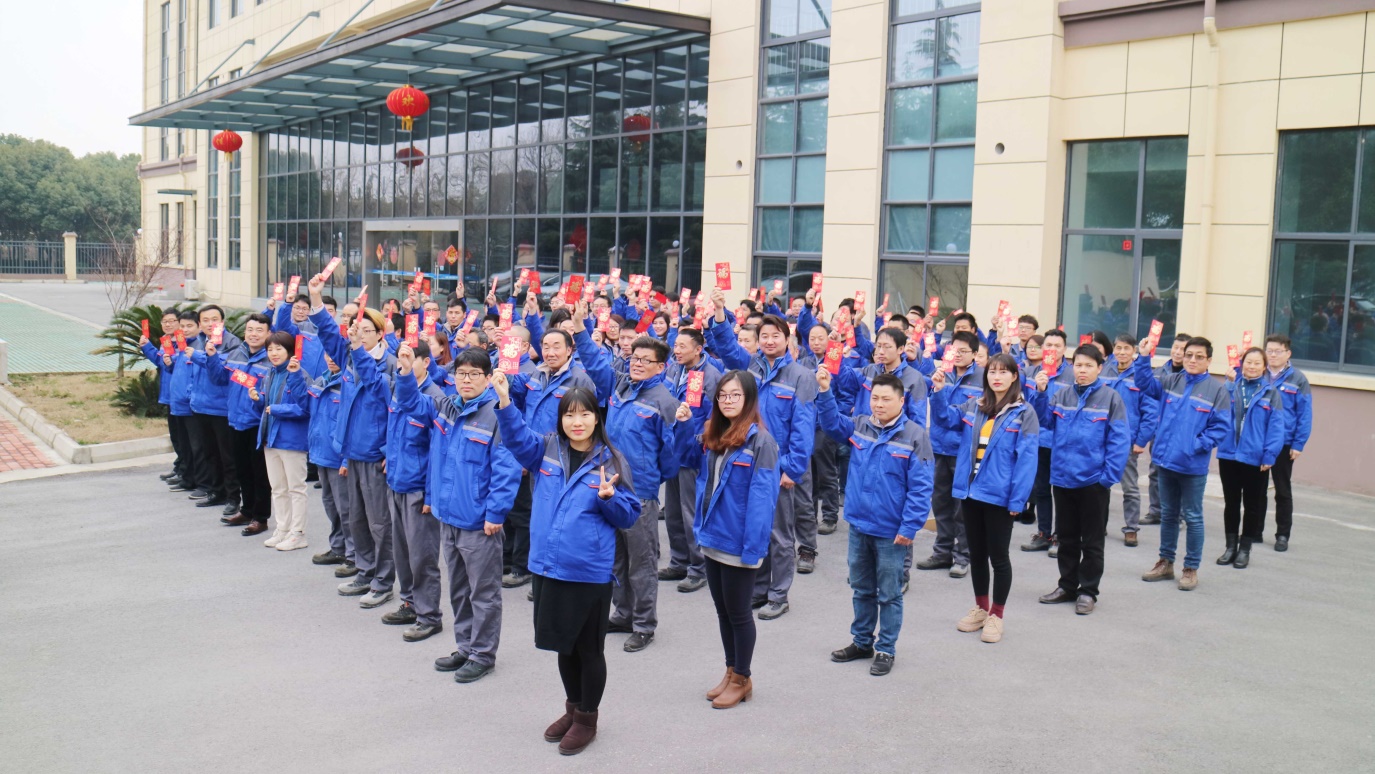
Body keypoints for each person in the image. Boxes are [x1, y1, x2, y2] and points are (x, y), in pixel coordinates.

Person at [493, 376, 640, 757]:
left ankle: (587, 719)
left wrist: (609, 498)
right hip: (548, 566)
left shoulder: (611, 460)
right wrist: (506, 401)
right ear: (560, 420)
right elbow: (514, 438)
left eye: (585, 414)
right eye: (570, 415)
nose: (577, 422)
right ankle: (572, 709)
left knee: (589, 650)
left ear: (597, 418)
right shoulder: (545, 450)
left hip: (588, 570)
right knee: (563, 646)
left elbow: (629, 515)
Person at [395, 345, 521, 682]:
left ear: (487, 377)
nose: (466, 380)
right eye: (461, 373)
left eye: (474, 374)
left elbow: (506, 470)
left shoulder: (499, 413)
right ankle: (465, 647)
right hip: (448, 517)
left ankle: (483, 654)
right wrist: (406, 372)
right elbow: (411, 405)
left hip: (480, 522)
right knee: (459, 590)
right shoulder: (447, 408)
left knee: (484, 592)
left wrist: (495, 513)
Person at [573, 302, 679, 653]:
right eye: (634, 356)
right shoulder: (619, 386)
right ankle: (623, 612)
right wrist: (580, 330)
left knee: (642, 561)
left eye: (645, 360)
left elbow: (669, 456)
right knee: (615, 556)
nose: (636, 362)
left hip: (640, 493)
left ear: (661, 367)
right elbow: (595, 364)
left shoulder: (663, 400)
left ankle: (645, 624)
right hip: (609, 486)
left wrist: (646, 482)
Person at [707, 290, 817, 621]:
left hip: (778, 466)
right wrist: (719, 313)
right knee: (755, 527)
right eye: (763, 336)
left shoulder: (801, 376)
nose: (769, 341)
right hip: (746, 461)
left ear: (788, 338)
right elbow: (726, 348)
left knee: (781, 535)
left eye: (775, 335)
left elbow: (803, 428)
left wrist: (792, 470)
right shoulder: (750, 369)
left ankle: (779, 594)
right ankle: (759, 589)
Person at [672, 370, 779, 705]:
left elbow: (763, 500)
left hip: (739, 541)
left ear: (748, 400)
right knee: (722, 611)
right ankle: (730, 670)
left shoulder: (762, 441)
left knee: (739, 613)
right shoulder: (712, 433)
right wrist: (685, 426)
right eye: (723, 395)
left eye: (736, 395)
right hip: (713, 536)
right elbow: (685, 460)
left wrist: (753, 549)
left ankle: (743, 678)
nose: (728, 401)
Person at [817, 370, 933, 674]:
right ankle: (862, 641)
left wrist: (910, 527)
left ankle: (886, 649)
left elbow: (921, 488)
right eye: (875, 398)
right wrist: (826, 391)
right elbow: (831, 424)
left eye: (886, 399)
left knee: (890, 593)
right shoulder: (860, 425)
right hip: (859, 524)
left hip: (892, 532)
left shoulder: (915, 436)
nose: (879, 404)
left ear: (901, 400)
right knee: (861, 588)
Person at [929, 353, 1039, 644]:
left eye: (1004, 372)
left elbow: (1027, 460)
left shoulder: (1024, 413)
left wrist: (1018, 501)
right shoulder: (975, 405)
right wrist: (938, 391)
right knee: (977, 554)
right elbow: (944, 419)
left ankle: (997, 615)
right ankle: (980, 607)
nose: (997, 377)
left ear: (1015, 376)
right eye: (992, 372)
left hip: (999, 496)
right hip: (970, 491)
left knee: (998, 557)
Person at [310, 277, 397, 610]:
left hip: (376, 455)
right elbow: (330, 336)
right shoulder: (350, 357)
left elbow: (383, 397)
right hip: (350, 451)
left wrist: (390, 452)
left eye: (365, 331)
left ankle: (383, 580)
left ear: (380, 334)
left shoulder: (390, 365)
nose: (356, 335)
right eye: (354, 330)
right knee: (355, 518)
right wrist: (316, 298)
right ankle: (364, 570)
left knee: (379, 522)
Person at [1030, 346, 1130, 614]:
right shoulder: (1061, 394)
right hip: (1063, 479)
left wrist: (1107, 478)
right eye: (1079, 365)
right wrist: (1040, 394)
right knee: (1067, 538)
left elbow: (1119, 440)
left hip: (1093, 482)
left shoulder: (1111, 398)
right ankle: (1067, 586)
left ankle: (1088, 592)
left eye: (1088, 366)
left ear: (1100, 368)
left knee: (1092, 541)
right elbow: (1043, 424)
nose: (1082, 370)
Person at [500, 328, 599, 591]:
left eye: (557, 346)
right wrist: (505, 353)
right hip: (536, 455)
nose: (550, 351)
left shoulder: (579, 379)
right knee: (538, 515)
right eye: (546, 346)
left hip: (565, 459)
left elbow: (591, 421)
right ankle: (540, 570)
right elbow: (512, 388)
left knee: (560, 515)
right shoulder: (537, 374)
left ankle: (558, 573)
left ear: (569, 350)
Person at [1135, 336, 1231, 591]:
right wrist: (1144, 356)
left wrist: (1195, 446)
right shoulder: (1171, 380)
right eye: (1189, 355)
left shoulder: (1216, 390)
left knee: (1193, 517)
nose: (1192, 360)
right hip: (1165, 461)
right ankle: (1165, 563)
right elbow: (1143, 383)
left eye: (1199, 356)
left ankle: (1191, 568)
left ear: (1209, 360)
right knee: (1168, 515)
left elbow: (1221, 428)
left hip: (1191, 466)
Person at [377, 340, 449, 641]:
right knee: (402, 551)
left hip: (419, 489)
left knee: (423, 556)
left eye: (410, 358)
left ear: (425, 362)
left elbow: (437, 453)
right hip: (397, 481)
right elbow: (395, 432)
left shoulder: (435, 398)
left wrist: (431, 496)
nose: (404, 362)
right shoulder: (400, 390)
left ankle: (429, 615)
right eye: (401, 358)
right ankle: (409, 602)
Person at [659, 328, 723, 594]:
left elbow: (713, 417)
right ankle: (679, 560)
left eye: (683, 346)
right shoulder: (674, 370)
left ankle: (698, 567)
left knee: (690, 512)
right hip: (672, 449)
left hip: (694, 451)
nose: (677, 350)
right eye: (676, 345)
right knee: (672, 511)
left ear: (699, 348)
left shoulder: (710, 375)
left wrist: (698, 442)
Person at [917, 330, 983, 579]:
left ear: (975, 354)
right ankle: (942, 551)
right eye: (953, 350)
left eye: (963, 351)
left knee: (961, 506)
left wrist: (943, 397)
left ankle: (962, 555)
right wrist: (939, 388)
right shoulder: (942, 373)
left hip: (964, 449)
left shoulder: (982, 378)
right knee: (940, 502)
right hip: (938, 446)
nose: (956, 355)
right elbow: (938, 413)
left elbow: (962, 418)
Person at [1217, 348, 1288, 569]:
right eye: (1249, 362)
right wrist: (1228, 384)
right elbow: (1220, 412)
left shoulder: (1271, 392)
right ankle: (1230, 547)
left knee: (1252, 505)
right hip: (1229, 454)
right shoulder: (1231, 385)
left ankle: (1245, 549)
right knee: (1231, 503)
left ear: (1264, 366)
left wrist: (1269, 455)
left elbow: (1276, 427)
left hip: (1255, 458)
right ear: (1242, 363)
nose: (1252, 366)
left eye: (1257, 363)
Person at [213, 312, 274, 536]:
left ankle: (261, 517)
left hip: (257, 423)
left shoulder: (271, 359)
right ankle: (246, 510)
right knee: (242, 470)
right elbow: (219, 379)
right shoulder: (236, 354)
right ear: (244, 332)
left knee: (260, 474)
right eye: (250, 330)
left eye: (259, 330)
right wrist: (211, 358)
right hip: (235, 420)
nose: (254, 334)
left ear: (269, 334)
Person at [251, 332, 312, 551]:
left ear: (289, 350)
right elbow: (266, 406)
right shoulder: (270, 374)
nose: (274, 353)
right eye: (270, 349)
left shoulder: (299, 374)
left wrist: (275, 409)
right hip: (270, 438)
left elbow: (305, 408)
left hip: (292, 440)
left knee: (296, 488)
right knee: (277, 488)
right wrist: (258, 401)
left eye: (278, 349)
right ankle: (283, 529)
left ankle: (298, 533)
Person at [1103, 334, 1160, 547]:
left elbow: (1150, 412)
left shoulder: (1142, 375)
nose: (1121, 352)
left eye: (1126, 348)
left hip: (1126, 441)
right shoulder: (1105, 371)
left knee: (1130, 487)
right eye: (1118, 348)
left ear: (1134, 351)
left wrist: (1141, 441)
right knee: (1101, 485)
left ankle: (1131, 528)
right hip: (1102, 438)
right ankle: (1100, 525)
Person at [186, 305, 242, 517]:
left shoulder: (232, 343)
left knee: (227, 456)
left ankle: (233, 497)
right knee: (209, 453)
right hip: (200, 406)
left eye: (215, 319)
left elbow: (225, 371)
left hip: (221, 408)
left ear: (223, 321)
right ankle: (216, 491)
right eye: (206, 320)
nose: (211, 324)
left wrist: (201, 356)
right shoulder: (198, 340)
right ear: (200, 324)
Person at [1020, 328, 1072, 553]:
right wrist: (1040, 389)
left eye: (1057, 346)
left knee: (1061, 491)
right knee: (1041, 489)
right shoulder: (1032, 372)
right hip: (1038, 439)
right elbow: (1028, 406)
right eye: (1048, 345)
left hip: (1062, 442)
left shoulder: (1072, 374)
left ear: (1064, 350)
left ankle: (1061, 535)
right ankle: (1043, 533)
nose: (1052, 350)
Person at [304, 351, 355, 575]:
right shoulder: (321, 380)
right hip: (320, 453)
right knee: (330, 505)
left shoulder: (348, 383)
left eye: (335, 354)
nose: (331, 358)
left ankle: (354, 555)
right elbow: (307, 409)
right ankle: (338, 547)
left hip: (338, 457)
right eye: (327, 353)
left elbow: (352, 425)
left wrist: (346, 458)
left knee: (347, 509)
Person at [1263, 333, 1312, 552]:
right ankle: (1253, 531)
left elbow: (1305, 414)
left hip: (1284, 443)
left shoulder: (1297, 379)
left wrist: (1298, 444)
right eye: (1269, 351)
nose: (1272, 355)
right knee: (1256, 489)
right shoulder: (1257, 373)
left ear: (1288, 353)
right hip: (1258, 441)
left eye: (1277, 351)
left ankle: (1282, 535)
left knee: (1282, 490)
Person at [1143, 333, 1190, 525]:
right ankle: (1156, 511)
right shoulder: (1160, 372)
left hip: (1179, 435)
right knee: (1155, 472)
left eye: (1183, 349)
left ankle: (1177, 515)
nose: (1178, 352)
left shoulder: (1191, 376)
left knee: (1178, 475)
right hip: (1159, 431)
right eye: (1175, 347)